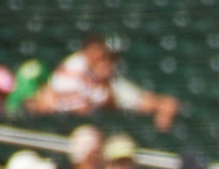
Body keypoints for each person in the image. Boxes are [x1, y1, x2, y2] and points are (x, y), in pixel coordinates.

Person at [26, 35, 180, 132]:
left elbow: (142, 102)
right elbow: (58, 98)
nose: (104, 62)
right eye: (99, 55)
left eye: (108, 58)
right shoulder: (75, 65)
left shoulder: (113, 81)